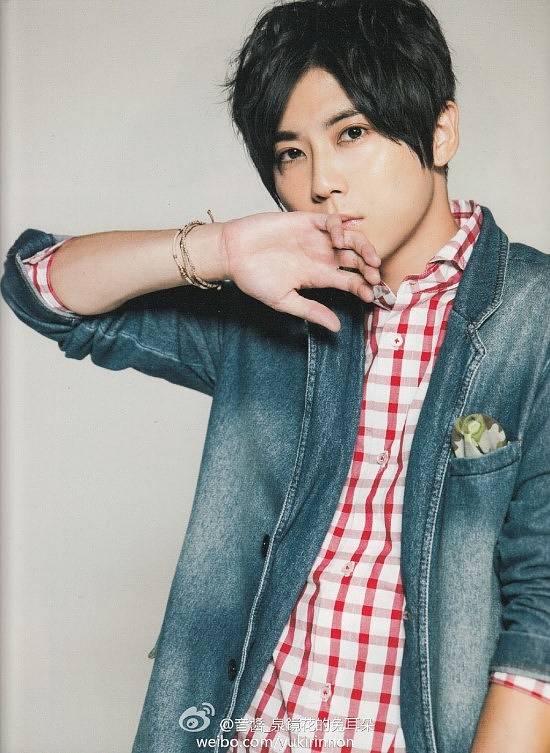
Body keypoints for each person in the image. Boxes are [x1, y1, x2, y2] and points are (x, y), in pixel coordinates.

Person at [1, 1, 549, 752]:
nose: (322, 182)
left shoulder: (531, 316)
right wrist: (220, 249)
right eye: (291, 152)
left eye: (351, 133)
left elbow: (541, 620)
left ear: (442, 129)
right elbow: (41, 289)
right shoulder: (276, 303)